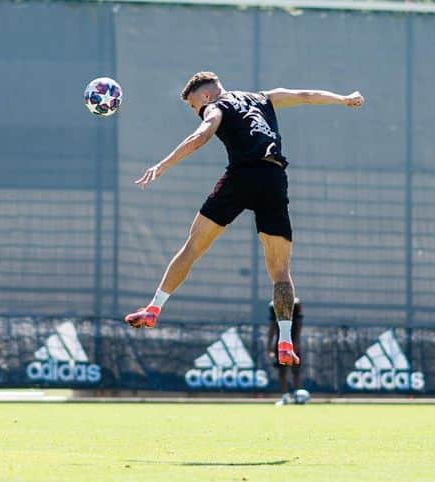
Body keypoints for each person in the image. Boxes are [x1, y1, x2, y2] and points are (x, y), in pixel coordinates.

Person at [124, 71, 364, 370]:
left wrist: (162, 165)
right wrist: (343, 99)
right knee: (280, 272)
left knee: (193, 247)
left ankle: (153, 309)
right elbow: (305, 96)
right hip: (274, 178)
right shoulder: (263, 98)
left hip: (241, 177)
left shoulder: (216, 107)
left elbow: (201, 135)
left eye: (194, 106)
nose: (196, 111)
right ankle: (286, 340)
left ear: (207, 95)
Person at [268, 297, 308, 404]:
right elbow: (272, 327)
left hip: (292, 341)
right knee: (282, 370)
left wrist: (296, 342)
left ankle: (298, 395)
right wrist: (270, 346)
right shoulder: (274, 306)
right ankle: (285, 396)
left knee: (295, 370)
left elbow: (299, 325)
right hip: (281, 342)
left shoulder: (295, 305)